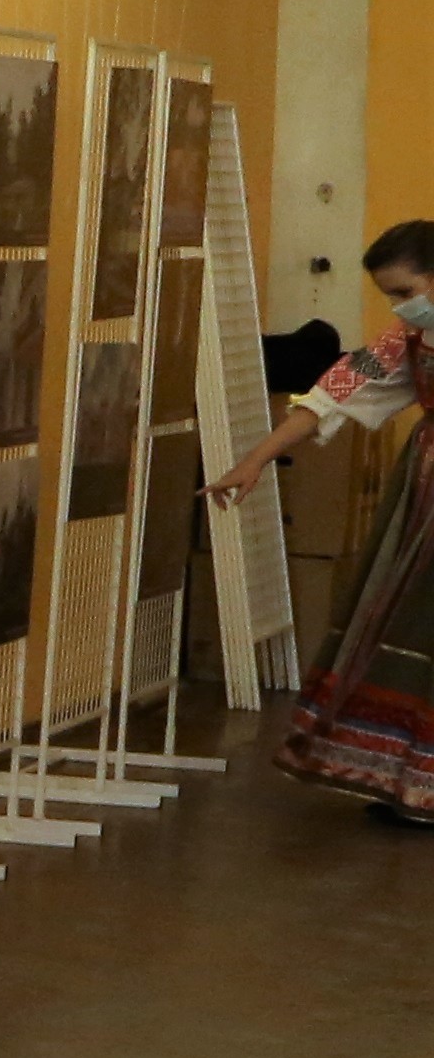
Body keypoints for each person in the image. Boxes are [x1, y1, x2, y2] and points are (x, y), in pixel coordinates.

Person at [207, 215, 434, 823]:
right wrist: (255, 459)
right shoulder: (406, 341)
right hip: (426, 494)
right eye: (391, 296)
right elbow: (331, 396)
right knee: (407, 623)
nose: (400, 307)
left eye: (406, 292)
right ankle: (410, 783)